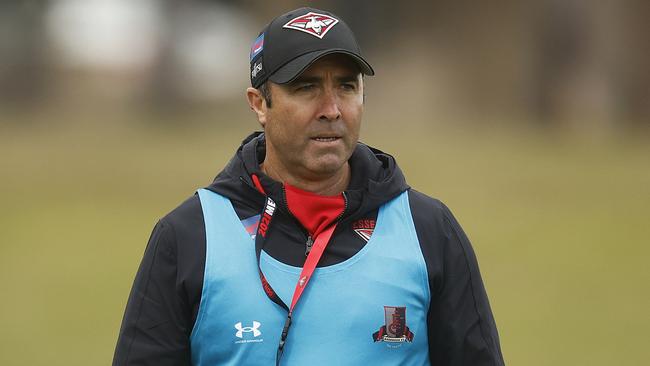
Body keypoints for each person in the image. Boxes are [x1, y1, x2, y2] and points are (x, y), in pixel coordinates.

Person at [113, 7, 505, 366]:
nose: (332, 109)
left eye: (347, 87)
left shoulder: (428, 230)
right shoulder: (189, 237)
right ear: (259, 103)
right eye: (306, 87)